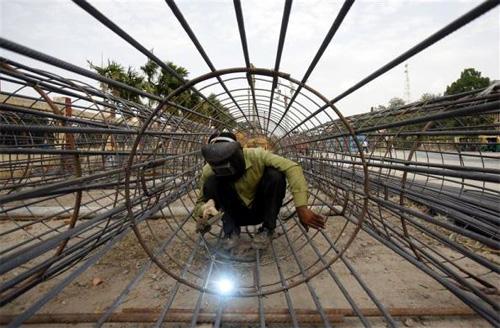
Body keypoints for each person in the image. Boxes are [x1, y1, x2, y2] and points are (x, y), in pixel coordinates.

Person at [194, 131, 325, 251]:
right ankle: (231, 232)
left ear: (239, 151)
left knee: (275, 175)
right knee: (211, 181)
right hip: (234, 214)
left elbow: (292, 167)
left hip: (260, 210)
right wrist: (204, 211)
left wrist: (301, 208)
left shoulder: (257, 155)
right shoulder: (208, 170)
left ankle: (267, 229)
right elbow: (199, 203)